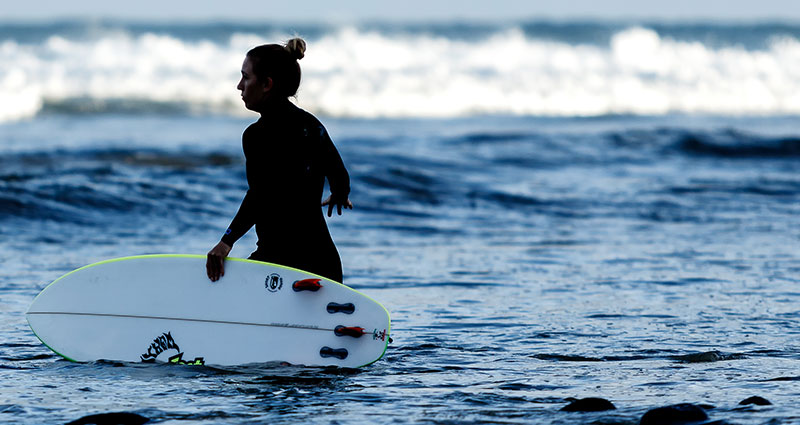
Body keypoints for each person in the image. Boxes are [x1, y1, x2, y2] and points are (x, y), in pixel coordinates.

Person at [206, 38, 352, 283]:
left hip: (279, 263)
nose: (239, 86)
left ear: (266, 84)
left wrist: (226, 241)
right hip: (323, 263)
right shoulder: (312, 125)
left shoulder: (257, 136)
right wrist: (339, 194)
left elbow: (259, 196)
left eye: (246, 77)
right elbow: (339, 173)